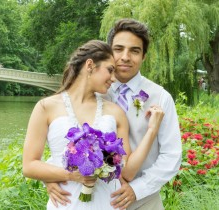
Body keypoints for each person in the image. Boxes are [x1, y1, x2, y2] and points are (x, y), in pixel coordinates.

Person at [46, 19, 182, 210]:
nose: (125, 57)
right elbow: (64, 139)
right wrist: (50, 177)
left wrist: (137, 189)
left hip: (145, 200)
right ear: (109, 52)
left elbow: (172, 156)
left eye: (134, 51)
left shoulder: (161, 97)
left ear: (144, 56)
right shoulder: (92, 91)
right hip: (96, 200)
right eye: (118, 49)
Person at [22, 40, 165, 210]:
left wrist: (152, 131)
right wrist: (71, 175)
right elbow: (29, 166)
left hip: (107, 203)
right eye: (110, 70)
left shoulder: (116, 112)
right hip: (65, 204)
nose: (113, 78)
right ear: (90, 65)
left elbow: (127, 171)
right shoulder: (45, 107)